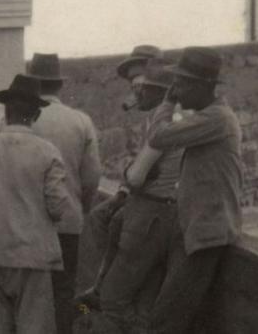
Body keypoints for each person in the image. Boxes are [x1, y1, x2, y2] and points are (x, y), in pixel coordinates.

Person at [0, 74, 72, 334]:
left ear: (6, 111)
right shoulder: (48, 153)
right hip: (33, 256)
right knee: (34, 326)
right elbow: (57, 207)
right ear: (35, 116)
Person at [146, 47, 244, 333]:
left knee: (166, 320)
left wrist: (166, 103)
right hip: (198, 230)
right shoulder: (209, 116)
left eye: (182, 84)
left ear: (204, 87)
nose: (176, 90)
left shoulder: (217, 118)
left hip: (207, 234)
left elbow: (158, 137)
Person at [81, 61, 183, 332]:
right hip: (161, 214)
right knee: (141, 303)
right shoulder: (169, 120)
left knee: (114, 301)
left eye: (142, 89)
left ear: (160, 92)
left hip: (150, 215)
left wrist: (129, 175)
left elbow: (138, 176)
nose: (137, 96)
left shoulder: (164, 124)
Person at [26, 52, 102, 334]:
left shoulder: (18, 120)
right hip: (67, 220)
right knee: (65, 287)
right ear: (60, 85)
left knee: (29, 291)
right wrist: (81, 207)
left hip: (27, 222)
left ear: (33, 84)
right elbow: (92, 177)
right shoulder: (80, 121)